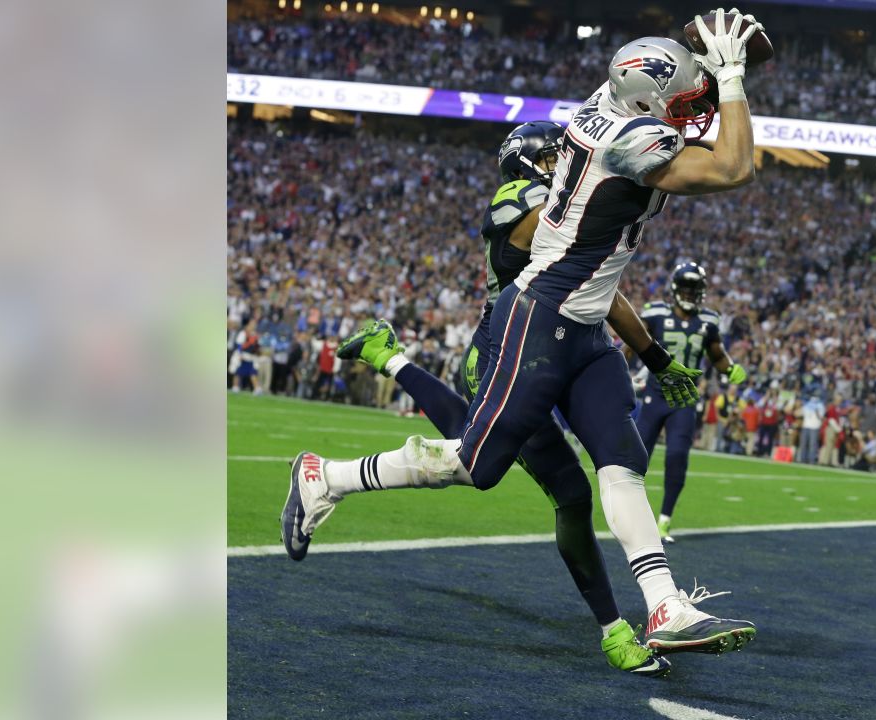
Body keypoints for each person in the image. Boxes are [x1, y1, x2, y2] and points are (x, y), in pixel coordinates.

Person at [286, 14, 765, 658]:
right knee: (476, 466)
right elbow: (735, 167)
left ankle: (665, 606)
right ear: (649, 99)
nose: (693, 109)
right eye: (683, 101)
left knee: (620, 461)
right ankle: (329, 476)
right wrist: (731, 78)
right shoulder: (627, 138)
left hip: (587, 328)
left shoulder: (615, 100)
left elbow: (659, 79)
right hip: (538, 316)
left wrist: (703, 63)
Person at [334, 121, 700, 676]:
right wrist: (614, 181)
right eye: (556, 155)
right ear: (528, 162)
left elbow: (603, 287)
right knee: (494, 466)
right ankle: (345, 452)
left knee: (597, 472)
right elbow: (549, 227)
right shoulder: (520, 197)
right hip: (507, 348)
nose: (567, 161)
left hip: (568, 344)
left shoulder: (571, 213)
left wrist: (655, 357)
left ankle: (639, 618)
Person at [626, 263, 746, 543]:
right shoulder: (655, 313)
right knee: (636, 458)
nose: (691, 295)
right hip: (655, 395)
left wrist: (730, 368)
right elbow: (631, 343)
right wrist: (619, 367)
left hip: (685, 400)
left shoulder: (708, 320)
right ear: (676, 289)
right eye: (687, 289)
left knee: (677, 456)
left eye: (696, 291)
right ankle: (631, 516)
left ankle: (664, 521)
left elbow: (717, 354)